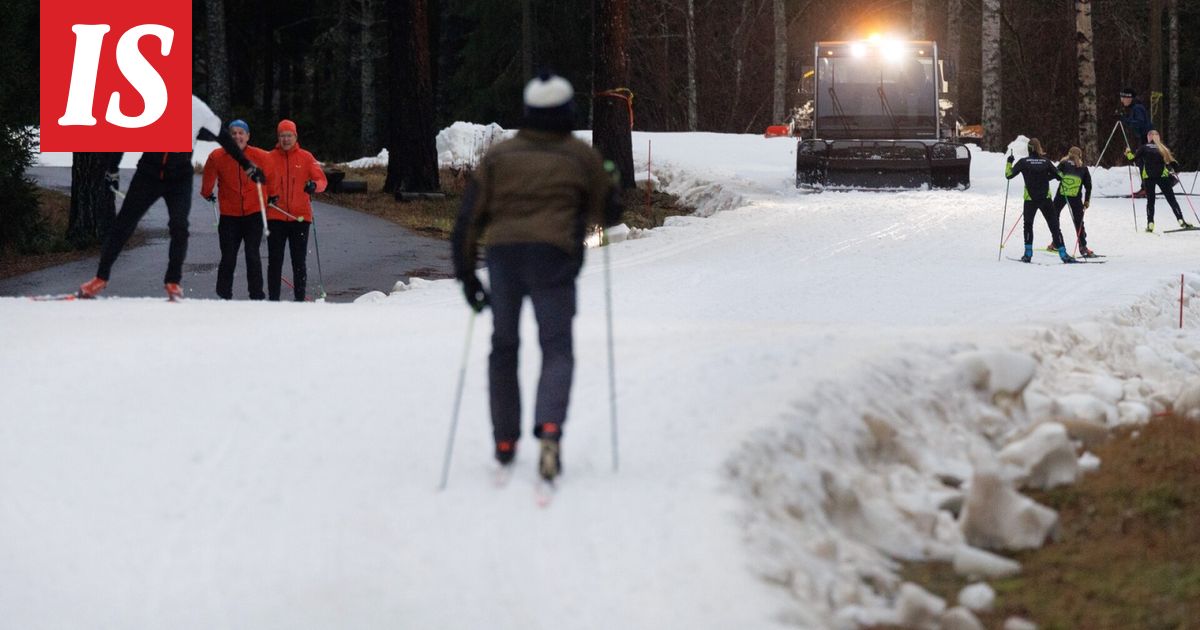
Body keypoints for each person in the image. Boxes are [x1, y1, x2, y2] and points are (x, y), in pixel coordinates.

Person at [451, 72, 622, 483]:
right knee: (556, 347)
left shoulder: (499, 156)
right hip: (555, 257)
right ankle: (549, 429)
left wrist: (468, 278)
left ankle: (505, 440)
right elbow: (610, 214)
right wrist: (610, 181)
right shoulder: (581, 155)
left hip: (504, 257)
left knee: (504, 345)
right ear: (566, 111)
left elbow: (467, 221)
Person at [79, 96, 265, 300]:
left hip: (179, 176)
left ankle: (173, 282)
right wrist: (112, 170)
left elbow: (224, 138)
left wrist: (247, 165)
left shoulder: (197, 107)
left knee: (179, 226)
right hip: (148, 173)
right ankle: (100, 278)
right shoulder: (147, 101)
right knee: (123, 224)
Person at [200, 119, 277, 300]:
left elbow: (271, 177)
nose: (237, 136)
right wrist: (206, 193)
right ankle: (224, 295)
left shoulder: (261, 156)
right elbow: (208, 180)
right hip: (229, 216)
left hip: (254, 214)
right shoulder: (217, 156)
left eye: (241, 133)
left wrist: (272, 195)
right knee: (228, 257)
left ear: (248, 136)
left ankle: (256, 296)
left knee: (252, 254)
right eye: (233, 133)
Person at [264, 119, 327, 302]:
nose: (285, 139)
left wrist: (313, 185)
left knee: (298, 261)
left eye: (289, 135)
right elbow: (259, 183)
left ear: (295, 136)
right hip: (275, 216)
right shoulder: (269, 158)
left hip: (300, 217)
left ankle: (299, 300)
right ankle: (273, 300)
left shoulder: (306, 157)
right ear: (278, 137)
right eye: (282, 136)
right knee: (275, 261)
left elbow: (322, 181)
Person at [1006, 138, 1074, 264]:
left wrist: (1009, 162)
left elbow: (1008, 175)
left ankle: (1028, 254)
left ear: (1028, 149)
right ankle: (1063, 255)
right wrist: (1048, 176)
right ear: (1039, 148)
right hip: (1045, 198)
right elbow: (1060, 176)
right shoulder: (1046, 162)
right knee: (1054, 226)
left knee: (1028, 225)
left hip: (1030, 199)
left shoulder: (1023, 162)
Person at [1126, 129, 1192, 232]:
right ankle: (1181, 221)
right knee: (1171, 200)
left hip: (1148, 177)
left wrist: (1128, 153)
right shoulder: (1163, 148)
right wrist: (1176, 170)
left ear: (1149, 137)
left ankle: (1150, 224)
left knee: (1151, 201)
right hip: (1162, 176)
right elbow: (1173, 163)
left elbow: (1132, 159)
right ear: (1158, 137)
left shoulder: (1144, 148)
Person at [1048, 146, 1096, 257]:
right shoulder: (1083, 168)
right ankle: (1083, 246)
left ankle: (1056, 242)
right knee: (1079, 221)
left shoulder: (1063, 164)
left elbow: (1053, 175)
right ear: (1080, 156)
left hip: (1062, 194)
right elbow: (1088, 186)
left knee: (1054, 216)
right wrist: (1087, 201)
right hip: (1075, 197)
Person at [1117, 88, 1153, 152]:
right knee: (1139, 157)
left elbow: (1139, 123)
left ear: (1129, 98)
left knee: (1142, 158)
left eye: (1123, 98)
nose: (1122, 101)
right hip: (1143, 138)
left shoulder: (1137, 108)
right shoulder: (1135, 107)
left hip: (1145, 139)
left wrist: (1124, 119)